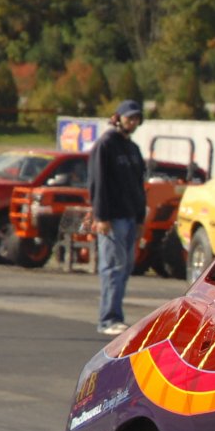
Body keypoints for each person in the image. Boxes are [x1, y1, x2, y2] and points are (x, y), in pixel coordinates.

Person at [88, 99, 148, 336]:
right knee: (112, 268)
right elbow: (98, 183)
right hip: (113, 218)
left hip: (131, 217)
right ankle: (108, 318)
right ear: (118, 117)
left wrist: (141, 218)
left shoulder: (132, 149)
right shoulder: (106, 145)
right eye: (129, 117)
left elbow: (139, 186)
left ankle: (116, 315)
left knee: (124, 268)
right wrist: (101, 216)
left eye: (136, 118)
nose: (132, 122)